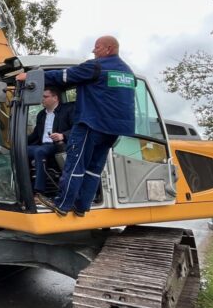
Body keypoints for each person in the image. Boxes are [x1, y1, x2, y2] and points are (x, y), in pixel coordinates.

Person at [17, 35, 135, 217]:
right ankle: (81, 207)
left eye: (97, 47)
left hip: (91, 125)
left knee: (74, 165)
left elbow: (64, 76)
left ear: (109, 49)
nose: (93, 51)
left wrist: (32, 77)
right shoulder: (127, 72)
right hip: (115, 129)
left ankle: (62, 205)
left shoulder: (96, 66)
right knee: (94, 168)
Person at [27, 88, 74, 199]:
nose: (42, 99)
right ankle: (24, 187)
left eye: (45, 97)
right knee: (20, 150)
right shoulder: (41, 115)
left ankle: (39, 192)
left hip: (58, 146)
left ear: (55, 98)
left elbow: (77, 129)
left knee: (39, 151)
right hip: (42, 145)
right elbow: (35, 135)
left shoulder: (67, 110)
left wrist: (62, 135)